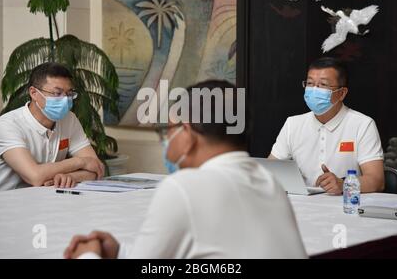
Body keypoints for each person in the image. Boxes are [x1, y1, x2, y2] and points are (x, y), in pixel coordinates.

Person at [64, 80, 307, 259]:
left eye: (168, 131)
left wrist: (88, 255)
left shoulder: (185, 187)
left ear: (188, 133)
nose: (166, 139)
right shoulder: (269, 181)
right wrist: (121, 253)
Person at [0, 62, 104, 194]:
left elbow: (96, 168)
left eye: (69, 93)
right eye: (57, 93)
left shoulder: (69, 119)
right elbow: (35, 176)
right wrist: (80, 162)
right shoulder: (7, 125)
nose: (65, 99)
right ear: (34, 93)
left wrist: (69, 177)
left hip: (41, 201)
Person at [269, 57, 384, 195]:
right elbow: (270, 171)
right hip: (303, 206)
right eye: (310, 83)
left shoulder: (362, 124)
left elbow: (377, 181)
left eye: (323, 85)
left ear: (342, 93)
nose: (314, 90)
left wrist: (343, 184)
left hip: (346, 206)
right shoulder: (292, 124)